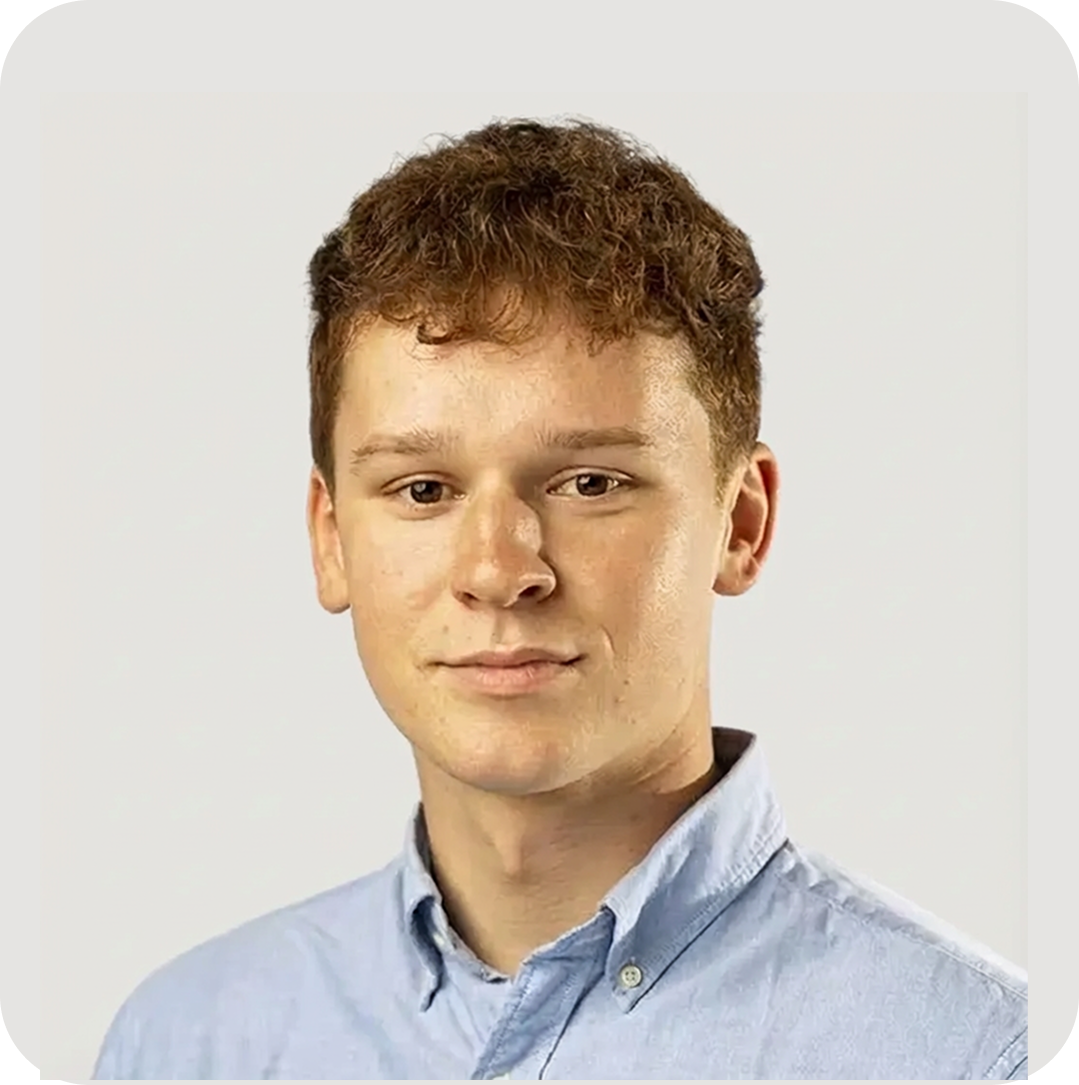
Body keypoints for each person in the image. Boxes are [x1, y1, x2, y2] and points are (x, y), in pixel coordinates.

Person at [92, 117, 1027, 1081]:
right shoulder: (184, 1045)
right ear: (330, 539)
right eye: (423, 489)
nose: (499, 570)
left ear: (740, 522)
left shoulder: (972, 1054)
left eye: (589, 483)